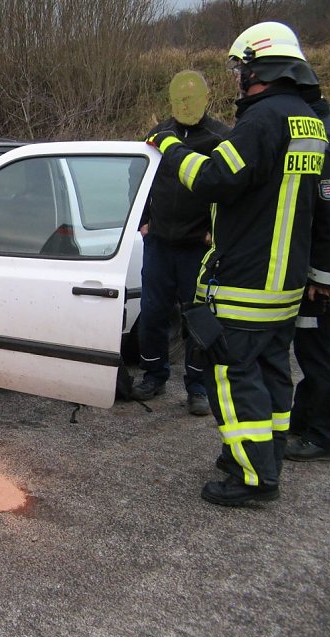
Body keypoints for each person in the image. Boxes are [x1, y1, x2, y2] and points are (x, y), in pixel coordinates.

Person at [146, 22, 326, 506]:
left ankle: (252, 477)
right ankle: (260, 453)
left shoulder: (263, 120)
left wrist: (168, 146)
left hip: (248, 279)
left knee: (231, 373)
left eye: (239, 68)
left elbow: (212, 179)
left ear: (258, 68)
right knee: (271, 374)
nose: (236, 79)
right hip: (285, 281)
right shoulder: (307, 120)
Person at [132, 70, 231, 416]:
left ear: (207, 97)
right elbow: (139, 176)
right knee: (153, 313)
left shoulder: (222, 137)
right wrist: (142, 220)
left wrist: (215, 232)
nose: (187, 104)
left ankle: (197, 387)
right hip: (159, 243)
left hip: (197, 249)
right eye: (180, 99)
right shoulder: (158, 134)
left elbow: (231, 188)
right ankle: (153, 375)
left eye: (193, 97)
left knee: (197, 319)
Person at [285, 95, 330, 462]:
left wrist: (323, 275)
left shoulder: (325, 148)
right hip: (318, 272)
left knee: (320, 355)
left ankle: (323, 435)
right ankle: (303, 419)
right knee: (311, 351)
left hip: (322, 282)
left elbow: (329, 218)